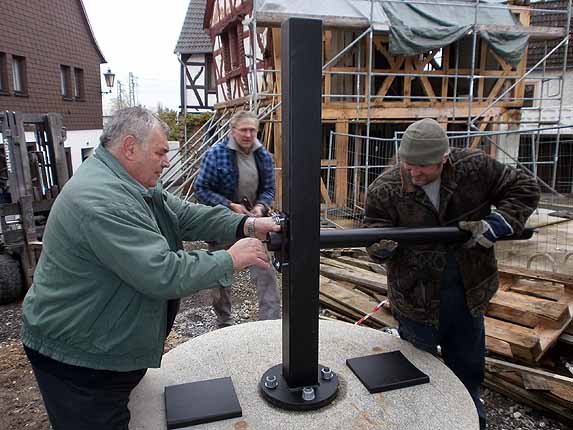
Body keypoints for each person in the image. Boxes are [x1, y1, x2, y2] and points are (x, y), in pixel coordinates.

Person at [20, 107, 280, 430]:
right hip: (78, 362)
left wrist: (248, 224)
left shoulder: (130, 183)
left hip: (101, 345)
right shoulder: (102, 199)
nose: (167, 160)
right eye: (160, 152)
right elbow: (162, 272)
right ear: (130, 148)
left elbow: (185, 215)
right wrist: (231, 259)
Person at [364, 118, 540, 430]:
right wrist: (380, 247)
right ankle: (419, 422)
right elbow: (372, 233)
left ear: (444, 159)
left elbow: (524, 187)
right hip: (416, 299)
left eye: (424, 166)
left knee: (468, 370)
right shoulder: (385, 189)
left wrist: (498, 223)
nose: (414, 172)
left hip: (468, 292)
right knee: (416, 376)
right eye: (409, 164)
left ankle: (472, 420)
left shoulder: (475, 169)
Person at [194, 110, 281, 327]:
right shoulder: (215, 155)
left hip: (253, 223)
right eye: (244, 130)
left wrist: (261, 206)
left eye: (252, 130)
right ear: (233, 131)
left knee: (265, 272)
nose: (249, 134)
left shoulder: (264, 156)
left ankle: (269, 324)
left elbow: (269, 188)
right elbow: (201, 189)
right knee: (221, 274)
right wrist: (229, 205)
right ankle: (224, 321)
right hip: (222, 223)